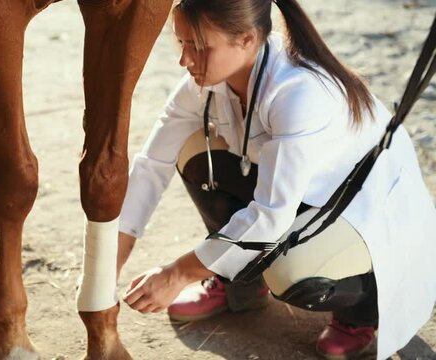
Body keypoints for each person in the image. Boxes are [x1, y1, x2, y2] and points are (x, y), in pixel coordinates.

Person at [115, 1, 436, 359]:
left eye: (200, 47)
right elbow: (151, 164)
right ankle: (238, 281)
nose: (185, 60)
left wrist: (178, 274)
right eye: (182, 43)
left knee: (290, 274)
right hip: (305, 197)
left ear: (247, 39)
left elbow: (270, 219)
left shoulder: (298, 91)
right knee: (192, 152)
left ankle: (362, 313)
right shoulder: (203, 82)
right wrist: (110, 257)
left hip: (364, 216)